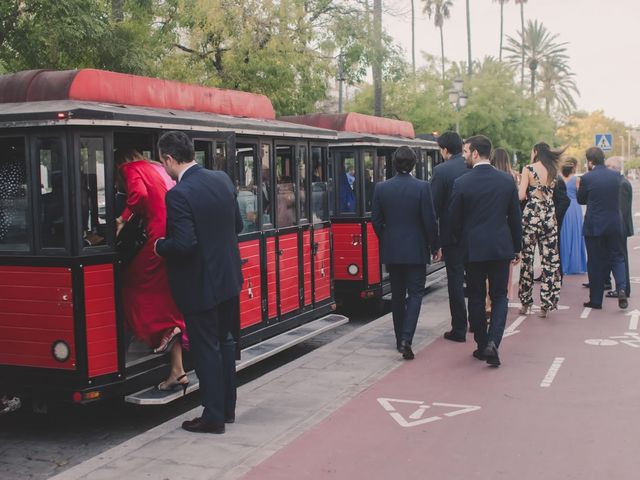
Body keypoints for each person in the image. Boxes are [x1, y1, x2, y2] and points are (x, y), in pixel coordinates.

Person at [155, 131, 243, 434]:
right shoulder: (221, 179)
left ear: (169, 158)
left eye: (162, 163)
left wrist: (159, 246)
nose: (163, 169)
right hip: (229, 278)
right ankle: (227, 409)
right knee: (225, 344)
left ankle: (213, 417)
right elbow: (238, 225)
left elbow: (184, 243)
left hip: (200, 285)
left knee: (207, 350)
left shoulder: (178, 194)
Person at [114, 149, 188, 392]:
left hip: (156, 235)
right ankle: (176, 367)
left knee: (131, 285)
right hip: (172, 231)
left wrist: (122, 219)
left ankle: (146, 336)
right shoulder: (156, 167)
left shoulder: (129, 169)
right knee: (163, 293)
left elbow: (138, 195)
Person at [449, 135, 522, 367]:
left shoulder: (462, 183)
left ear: (476, 153)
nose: (464, 156)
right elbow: (515, 217)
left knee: (477, 296)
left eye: (466, 151)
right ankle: (493, 342)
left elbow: (453, 221)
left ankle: (482, 344)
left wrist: (462, 242)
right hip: (501, 248)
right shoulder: (506, 181)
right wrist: (517, 247)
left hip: (473, 250)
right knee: (500, 296)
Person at [372, 146, 441, 360]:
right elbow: (429, 220)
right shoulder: (422, 187)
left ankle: (398, 338)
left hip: (392, 250)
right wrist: (434, 245)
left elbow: (376, 221)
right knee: (416, 294)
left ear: (394, 163)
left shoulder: (381, 188)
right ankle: (407, 339)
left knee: (397, 295)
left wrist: (387, 238)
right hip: (416, 249)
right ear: (413, 164)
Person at [430, 131, 469, 342]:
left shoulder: (441, 171)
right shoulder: (470, 166)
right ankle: (478, 321)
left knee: (455, 281)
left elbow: (433, 208)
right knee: (477, 279)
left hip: (452, 236)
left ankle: (459, 328)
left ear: (445, 150)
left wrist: (434, 241)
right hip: (475, 234)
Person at [578, 147, 627, 310]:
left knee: (595, 261)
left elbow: (581, 200)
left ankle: (596, 300)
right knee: (617, 257)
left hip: (594, 226)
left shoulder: (587, 178)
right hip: (614, 223)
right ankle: (621, 287)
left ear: (590, 161)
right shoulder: (616, 176)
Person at [518, 142, 562, 318]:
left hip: (531, 216)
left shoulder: (528, 168)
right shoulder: (553, 170)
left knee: (527, 259)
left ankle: (525, 303)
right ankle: (546, 304)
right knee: (550, 260)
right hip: (549, 216)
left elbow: (521, 195)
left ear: (535, 152)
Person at [490, 148, 519, 302]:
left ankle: (487, 301)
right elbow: (515, 208)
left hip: (488, 225)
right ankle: (504, 295)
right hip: (505, 227)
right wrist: (517, 246)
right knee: (503, 269)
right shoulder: (512, 177)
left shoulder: (488, 177)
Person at [604, 156, 633, 300]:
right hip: (619, 227)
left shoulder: (621, 184)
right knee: (619, 257)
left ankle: (624, 289)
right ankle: (621, 288)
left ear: (614, 168)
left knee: (621, 258)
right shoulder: (620, 182)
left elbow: (621, 209)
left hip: (619, 228)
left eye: (607, 167)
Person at [559, 157, 587, 274]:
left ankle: (563, 264)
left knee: (563, 235)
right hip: (574, 208)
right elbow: (580, 196)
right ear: (573, 167)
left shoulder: (559, 179)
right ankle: (575, 265)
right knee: (575, 235)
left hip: (563, 208)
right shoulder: (576, 180)